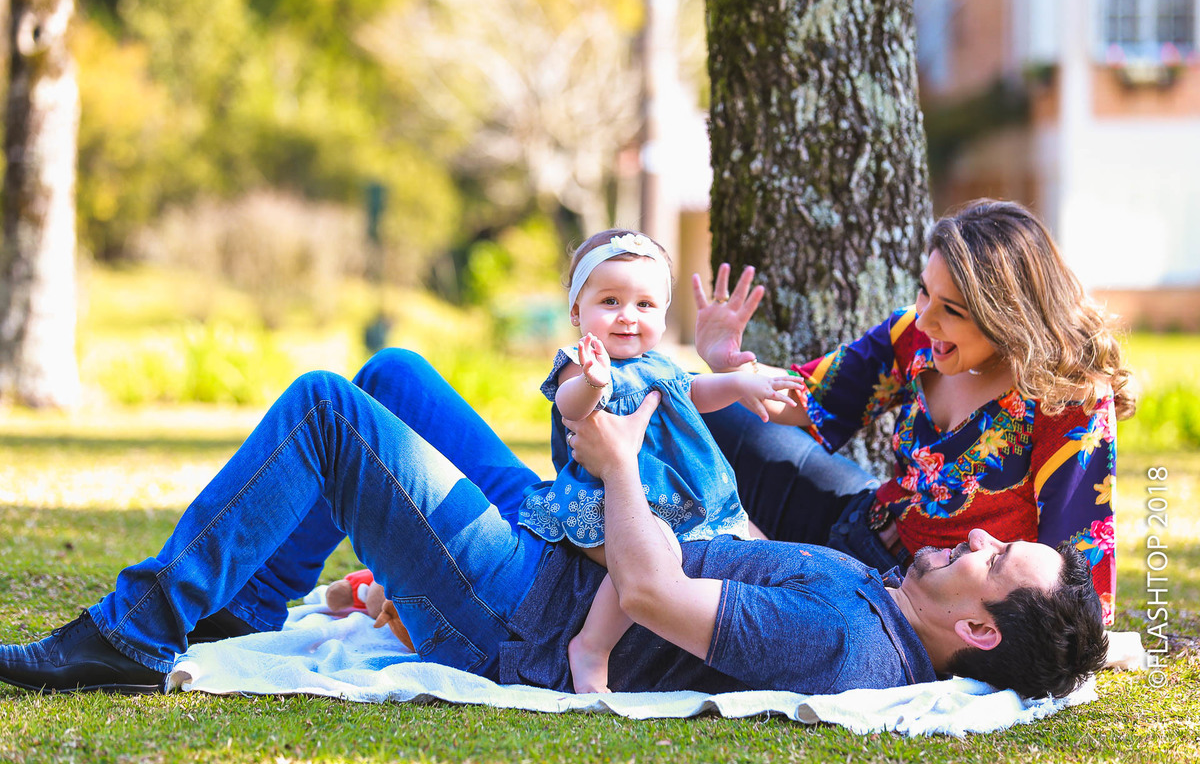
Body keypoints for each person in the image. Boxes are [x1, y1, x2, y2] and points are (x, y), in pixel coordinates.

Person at [0, 350, 1106, 700]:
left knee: (327, 411)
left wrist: (621, 469)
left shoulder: (849, 637)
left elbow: (664, 595)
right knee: (391, 373)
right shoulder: (875, 590)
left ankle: (135, 631)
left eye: (993, 557)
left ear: (981, 632)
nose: (973, 537)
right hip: (555, 548)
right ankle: (233, 605)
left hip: (517, 611)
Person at [692, 199, 1134, 625]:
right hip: (862, 518)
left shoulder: (1066, 397)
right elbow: (810, 403)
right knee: (686, 407)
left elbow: (1075, 570)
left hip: (918, 600)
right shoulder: (916, 336)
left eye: (952, 310)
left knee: (742, 580)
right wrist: (733, 368)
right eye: (925, 291)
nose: (925, 319)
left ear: (1007, 317)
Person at [519, 229, 804, 692]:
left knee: (749, 535)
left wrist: (737, 384)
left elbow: (694, 391)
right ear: (577, 310)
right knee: (655, 553)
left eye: (645, 305)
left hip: (675, 495)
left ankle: (773, 632)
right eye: (610, 301)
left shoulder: (660, 363)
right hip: (608, 500)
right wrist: (593, 382)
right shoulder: (582, 361)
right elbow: (570, 407)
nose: (628, 317)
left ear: (664, 313)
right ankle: (592, 646)